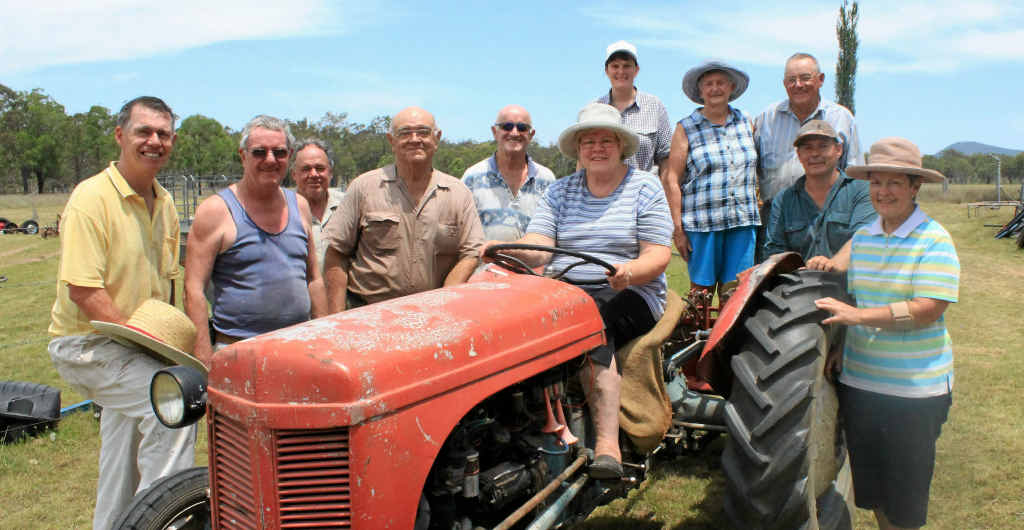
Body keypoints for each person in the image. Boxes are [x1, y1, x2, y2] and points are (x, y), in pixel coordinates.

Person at [482, 102, 672, 479]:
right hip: (567, 288)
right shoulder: (562, 191)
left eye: (605, 140)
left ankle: (607, 444)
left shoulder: (644, 187)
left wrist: (629, 271)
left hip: (630, 291)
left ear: (621, 145)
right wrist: (504, 249)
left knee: (591, 324)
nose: (597, 148)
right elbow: (539, 240)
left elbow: (658, 255)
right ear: (579, 149)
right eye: (588, 141)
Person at [46, 96, 196, 530]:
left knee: (121, 453)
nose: (154, 141)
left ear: (172, 140)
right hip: (88, 343)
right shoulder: (91, 198)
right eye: (143, 132)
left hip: (134, 346)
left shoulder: (165, 202)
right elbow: (84, 290)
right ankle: (164, 519)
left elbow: (164, 285)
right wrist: (144, 349)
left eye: (163, 134)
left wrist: (158, 345)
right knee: (174, 401)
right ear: (120, 136)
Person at [811, 138, 959, 530]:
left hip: (914, 393)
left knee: (905, 500)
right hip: (861, 385)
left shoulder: (933, 239)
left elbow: (928, 309)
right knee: (874, 490)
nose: (884, 192)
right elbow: (849, 284)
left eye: (895, 183)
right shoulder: (864, 238)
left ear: (915, 188)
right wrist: (845, 348)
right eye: (877, 182)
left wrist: (858, 319)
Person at [185, 115, 327, 362]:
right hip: (239, 353)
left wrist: (325, 340)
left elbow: (313, 279)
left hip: (300, 350)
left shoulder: (300, 206)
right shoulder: (216, 211)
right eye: (260, 152)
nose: (270, 160)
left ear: (289, 156)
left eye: (279, 152)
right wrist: (205, 362)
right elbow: (193, 289)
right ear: (243, 155)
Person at [323, 107, 484, 310]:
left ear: (437, 138)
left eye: (423, 132)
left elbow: (471, 254)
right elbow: (336, 254)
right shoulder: (364, 188)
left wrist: (443, 301)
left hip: (434, 315)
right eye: (405, 133)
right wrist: (336, 319)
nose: (415, 139)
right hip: (368, 314)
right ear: (391, 141)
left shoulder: (459, 193)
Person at [662, 60, 760, 298]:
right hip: (703, 224)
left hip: (742, 222)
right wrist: (678, 229)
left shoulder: (746, 122)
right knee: (702, 293)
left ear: (731, 88)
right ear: (700, 91)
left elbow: (757, 169)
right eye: (709, 84)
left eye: (721, 83)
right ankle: (700, 334)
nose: (715, 88)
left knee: (736, 292)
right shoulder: (686, 127)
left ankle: (730, 337)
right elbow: (672, 179)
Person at [754, 52, 865, 258]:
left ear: (820, 80)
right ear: (784, 83)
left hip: (831, 216)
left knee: (828, 278)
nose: (798, 85)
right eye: (791, 80)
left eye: (805, 78)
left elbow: (856, 174)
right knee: (775, 281)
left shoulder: (841, 118)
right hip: (776, 219)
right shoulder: (766, 118)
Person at [763, 119, 875, 259]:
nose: (815, 154)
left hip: (847, 280)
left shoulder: (862, 192)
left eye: (823, 146)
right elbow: (774, 251)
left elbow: (864, 241)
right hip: (798, 279)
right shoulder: (783, 200)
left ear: (838, 150)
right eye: (808, 148)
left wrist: (833, 265)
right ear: (799, 154)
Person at [462, 104, 556, 241]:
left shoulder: (547, 180)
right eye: (507, 126)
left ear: (531, 135)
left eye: (522, 128)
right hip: (485, 262)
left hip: (534, 263)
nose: (514, 132)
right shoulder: (471, 178)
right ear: (495, 132)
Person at [594, 40, 672, 176]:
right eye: (615, 66)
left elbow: (666, 158)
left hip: (644, 194)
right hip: (602, 194)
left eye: (626, 66)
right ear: (607, 70)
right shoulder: (595, 109)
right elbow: (583, 161)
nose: (621, 71)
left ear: (636, 70)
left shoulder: (654, 106)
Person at [292, 138, 345, 271]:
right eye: (306, 169)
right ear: (294, 174)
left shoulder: (349, 205)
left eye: (320, 168)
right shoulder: (281, 211)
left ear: (331, 173)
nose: (314, 174)